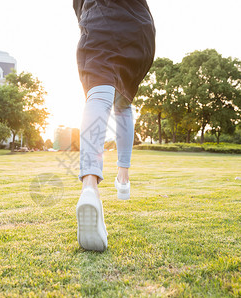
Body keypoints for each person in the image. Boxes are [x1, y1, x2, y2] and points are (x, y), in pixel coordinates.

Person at [74, 0, 156, 251]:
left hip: (100, 20)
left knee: (99, 94)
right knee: (123, 102)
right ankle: (123, 178)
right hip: (139, 31)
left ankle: (90, 185)